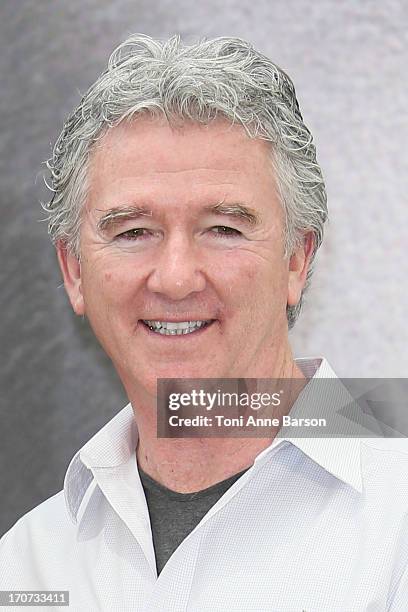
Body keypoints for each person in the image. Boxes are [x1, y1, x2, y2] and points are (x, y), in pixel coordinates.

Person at [1, 33, 407, 611]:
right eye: (133, 232)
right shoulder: (27, 566)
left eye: (223, 229)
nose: (175, 278)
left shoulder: (399, 522)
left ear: (297, 260)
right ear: (74, 271)